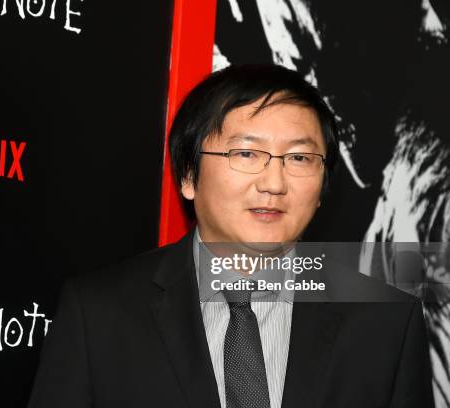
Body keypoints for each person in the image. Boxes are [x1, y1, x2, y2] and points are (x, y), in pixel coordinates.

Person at [27, 64, 433, 408]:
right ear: (188, 175)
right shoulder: (98, 314)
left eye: (299, 158)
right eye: (246, 154)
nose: (274, 182)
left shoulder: (386, 322)